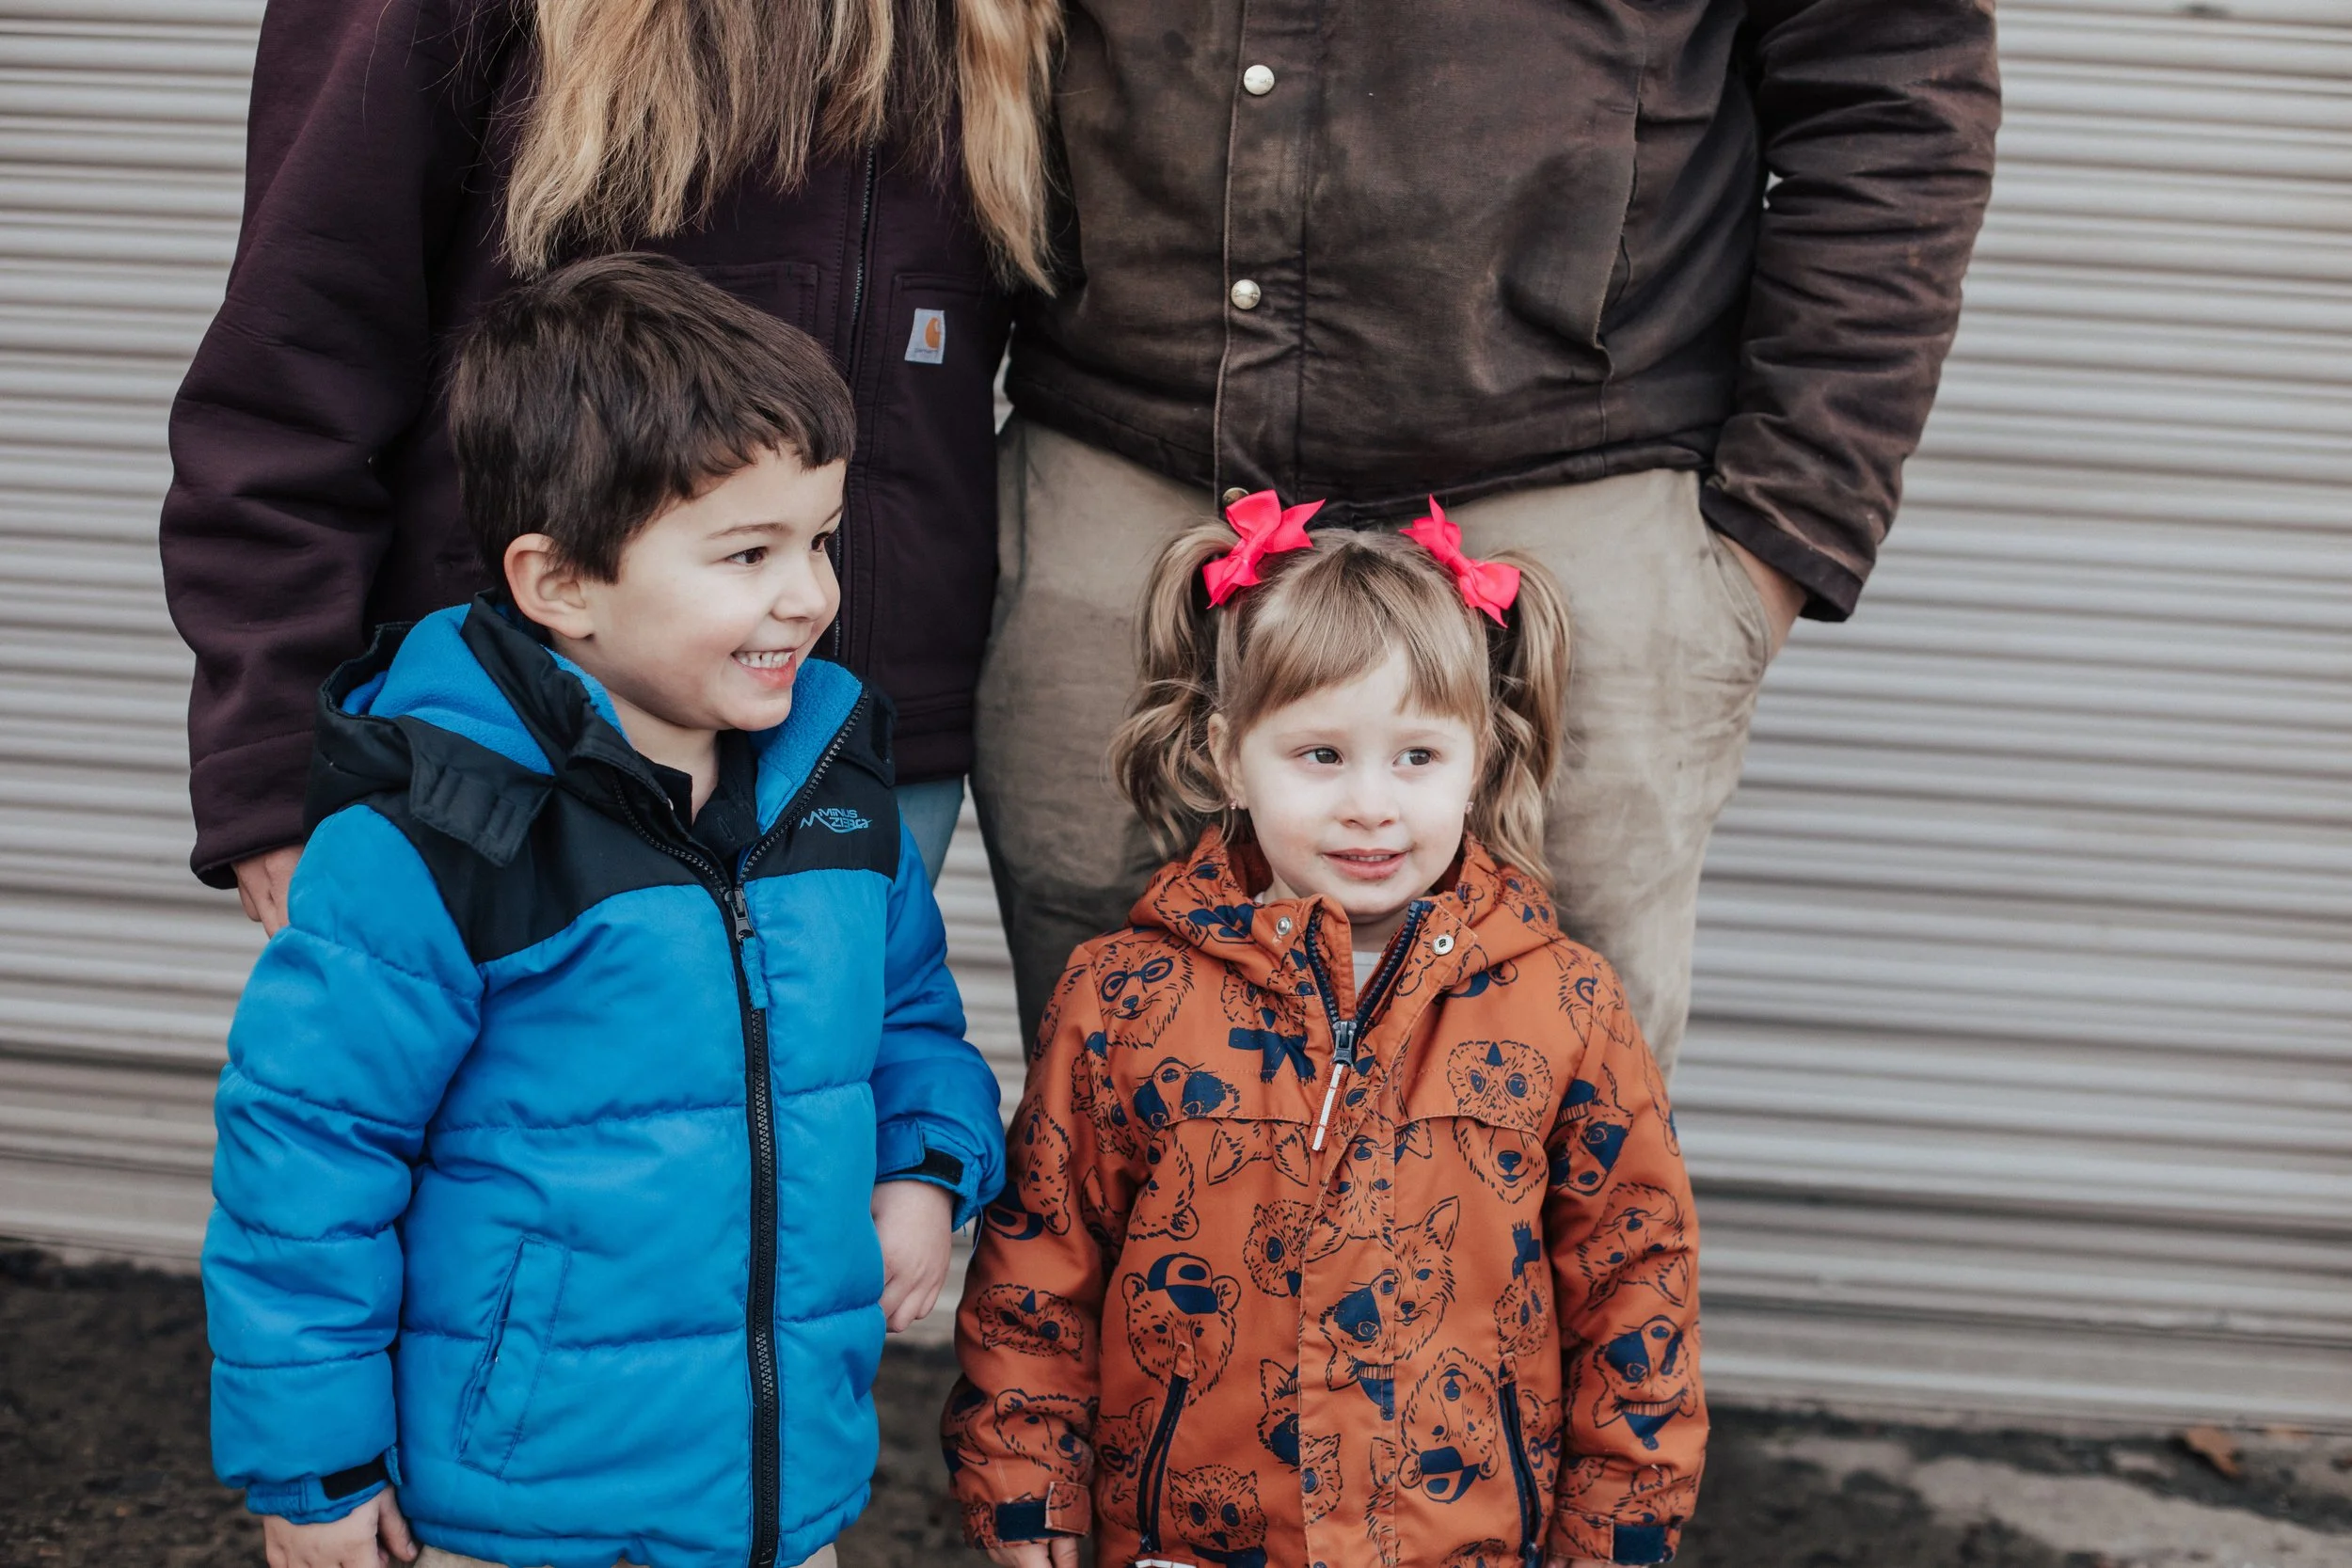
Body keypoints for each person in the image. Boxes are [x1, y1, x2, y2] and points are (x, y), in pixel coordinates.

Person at [970, 0, 2001, 1073]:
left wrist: (1783, 533)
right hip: (1117, 472)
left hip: (1568, 495)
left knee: (1550, 1133)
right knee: (1113, 1101)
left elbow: (1895, 71)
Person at [200, 256, 1006, 1568]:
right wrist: (314, 1466)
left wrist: (923, 1166)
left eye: (818, 539)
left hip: (774, 1490)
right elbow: (307, 1164)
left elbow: (911, 1016)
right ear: (562, 582)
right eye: (748, 553)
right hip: (518, 1503)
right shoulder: (437, 834)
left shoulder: (833, 781)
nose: (808, 593)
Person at [163, 0, 1059, 921]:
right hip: (512, 746)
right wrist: (274, 765)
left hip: (851, 759)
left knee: (837, 1065)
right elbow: (296, 358)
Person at [946, 502, 1705, 1568]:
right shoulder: (1122, 1002)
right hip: (1186, 1544)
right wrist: (1024, 1485)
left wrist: (1618, 1532)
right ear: (1225, 757)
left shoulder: (1567, 1008)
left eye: (1416, 756)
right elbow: (1038, 1267)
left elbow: (1637, 1282)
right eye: (1319, 752)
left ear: (1478, 761)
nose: (1368, 804)